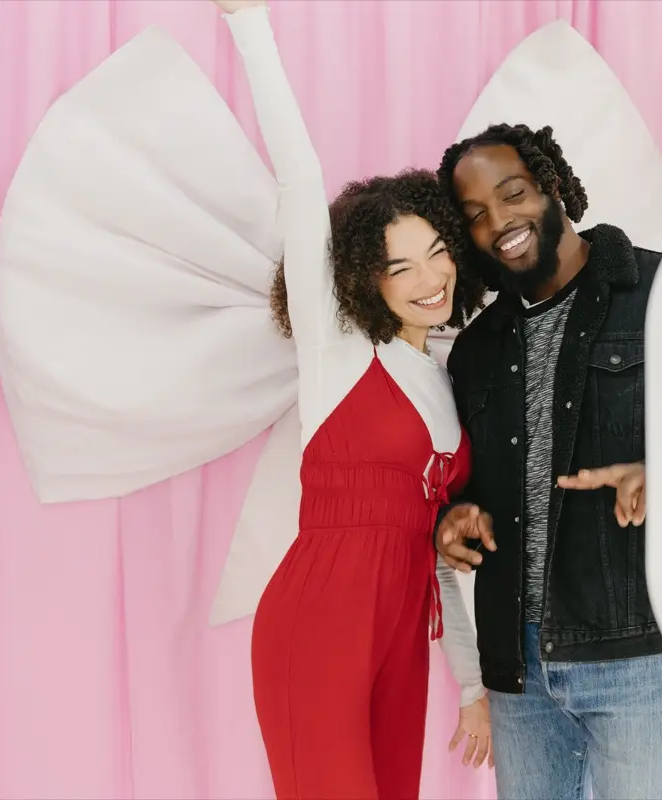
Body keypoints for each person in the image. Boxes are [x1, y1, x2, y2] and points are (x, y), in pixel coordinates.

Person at [211, 2, 493, 797]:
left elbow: (439, 557)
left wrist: (470, 686)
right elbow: (301, 183)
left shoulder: (447, 378)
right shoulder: (338, 356)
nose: (430, 279)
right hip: (319, 625)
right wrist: (249, 25)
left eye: (437, 253)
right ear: (364, 277)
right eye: (400, 266)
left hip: (401, 637)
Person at [432, 123, 662, 800]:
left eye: (512, 193)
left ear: (551, 185)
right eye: (477, 216)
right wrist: (456, 519)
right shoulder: (476, 349)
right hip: (516, 669)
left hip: (631, 651)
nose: (499, 222)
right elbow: (474, 488)